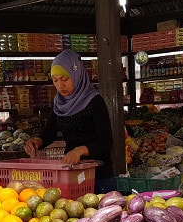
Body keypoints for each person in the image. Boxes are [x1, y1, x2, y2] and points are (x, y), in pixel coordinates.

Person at [24, 49, 115, 193]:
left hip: (99, 176)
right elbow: (50, 132)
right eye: (55, 80)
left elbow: (105, 141)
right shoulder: (58, 103)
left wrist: (79, 151)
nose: (60, 85)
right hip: (72, 173)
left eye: (65, 79)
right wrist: (38, 141)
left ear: (76, 74)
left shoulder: (95, 101)